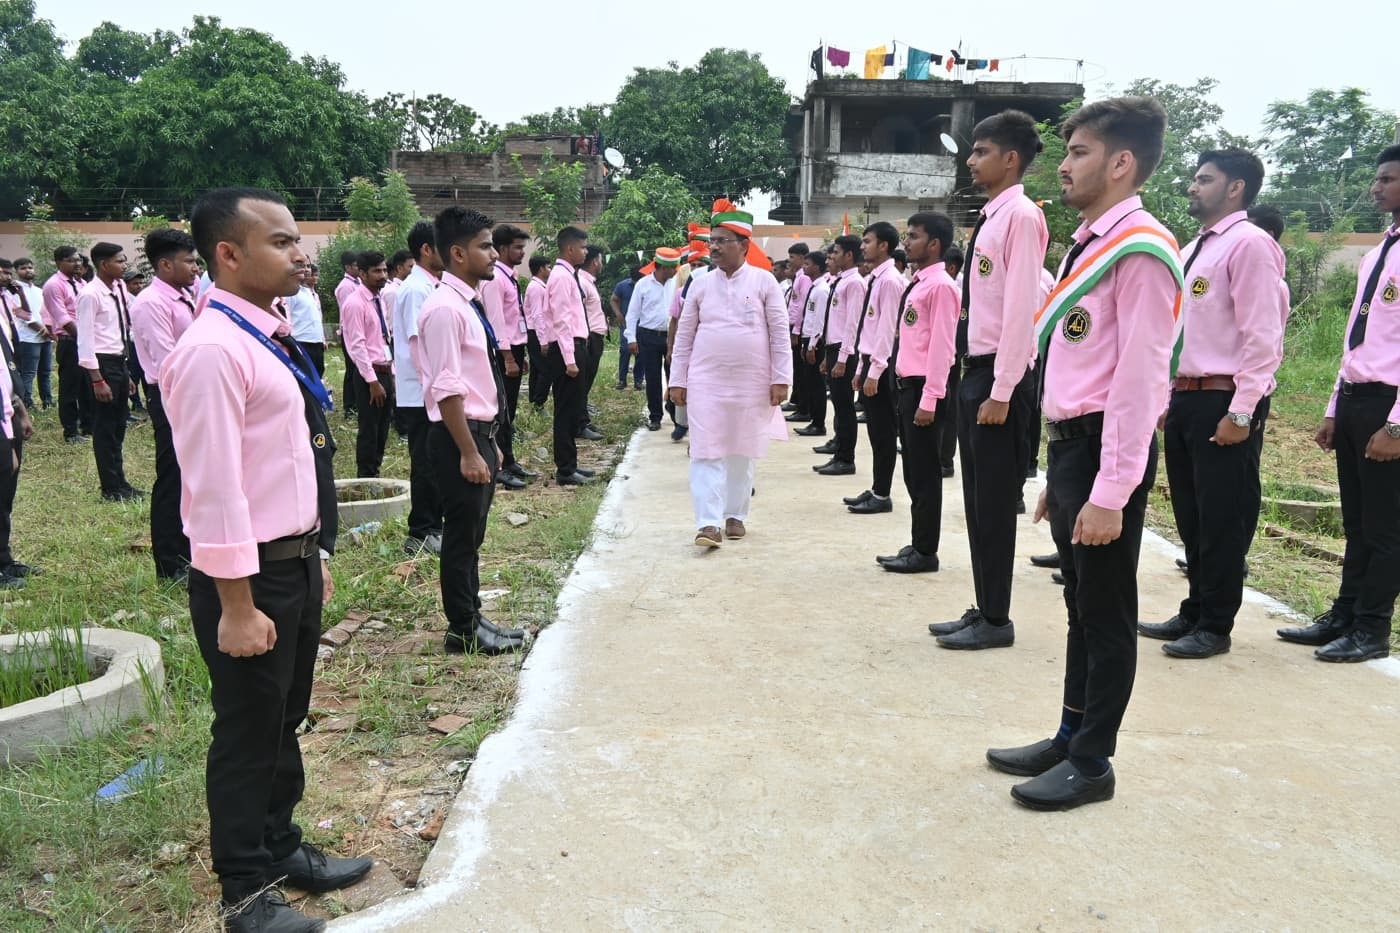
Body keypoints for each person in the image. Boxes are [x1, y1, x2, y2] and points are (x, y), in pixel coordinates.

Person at [165, 187, 369, 933]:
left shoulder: (261, 334)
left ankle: (281, 846)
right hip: (248, 577)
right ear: (229, 253)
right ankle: (245, 890)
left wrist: (311, 552)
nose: (299, 254)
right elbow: (215, 490)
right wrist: (239, 604)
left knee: (285, 716)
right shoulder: (214, 350)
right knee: (249, 730)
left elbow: (279, 461)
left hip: (292, 560)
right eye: (281, 241)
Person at [987, 97, 1182, 811]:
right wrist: (1061, 477)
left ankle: (1095, 759)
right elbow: (1079, 366)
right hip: (1078, 450)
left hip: (1108, 448)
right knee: (1080, 607)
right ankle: (1070, 733)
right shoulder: (1093, 241)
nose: (1063, 166)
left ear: (1121, 163)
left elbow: (1138, 379)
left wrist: (1110, 488)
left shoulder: (1142, 249)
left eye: (1077, 153)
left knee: (1105, 612)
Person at [1137, 148, 1287, 659]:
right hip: (1186, 397)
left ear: (1236, 188)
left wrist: (1242, 411)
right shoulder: (1193, 249)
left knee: (1223, 516)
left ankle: (1216, 623)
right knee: (1192, 514)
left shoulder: (1250, 246)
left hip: (1224, 397)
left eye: (1204, 179)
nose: (1192, 187)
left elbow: (1262, 335)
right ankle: (1196, 606)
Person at [933, 111, 1051, 650]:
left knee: (997, 505)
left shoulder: (1021, 216)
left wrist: (1003, 390)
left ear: (1010, 159)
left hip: (998, 380)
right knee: (978, 502)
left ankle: (997, 619)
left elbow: (1023, 305)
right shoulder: (992, 217)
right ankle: (985, 605)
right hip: (977, 372)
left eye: (980, 151)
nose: (970, 159)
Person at [1278, 145, 1400, 662]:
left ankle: (1372, 628)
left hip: (1389, 405)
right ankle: (1344, 613)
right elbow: (1358, 337)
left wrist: (1396, 426)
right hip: (1355, 398)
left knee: (1386, 526)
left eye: (1387, 179)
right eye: (1377, 179)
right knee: (1357, 522)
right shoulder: (1377, 253)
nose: (1376, 187)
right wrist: (1333, 406)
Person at [414, 206, 526, 656]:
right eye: (484, 247)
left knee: (473, 535)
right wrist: (468, 451)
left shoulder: (465, 304)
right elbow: (447, 389)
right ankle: (461, 628)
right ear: (457, 253)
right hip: (458, 435)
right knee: (460, 538)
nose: (493, 254)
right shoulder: (444, 310)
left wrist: (490, 444)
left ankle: (474, 616)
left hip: (478, 432)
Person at [669, 200, 791, 546]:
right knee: (706, 448)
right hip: (706, 379)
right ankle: (708, 523)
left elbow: (780, 334)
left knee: (741, 448)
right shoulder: (700, 284)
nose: (716, 247)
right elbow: (685, 336)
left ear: (744, 245)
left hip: (752, 381)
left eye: (723, 241)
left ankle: (736, 514)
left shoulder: (765, 281)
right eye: (713, 241)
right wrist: (677, 379)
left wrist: (780, 378)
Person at [877, 213, 959, 574]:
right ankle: (918, 542)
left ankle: (926, 551)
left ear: (934, 245)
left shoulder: (940, 286)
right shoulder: (919, 283)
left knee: (925, 475)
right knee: (913, 471)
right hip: (907, 387)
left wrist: (929, 400)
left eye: (913, 236)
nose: (905, 242)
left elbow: (943, 349)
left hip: (925, 391)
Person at [129, 228, 201, 581]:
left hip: (194, 393)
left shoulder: (185, 295)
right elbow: (166, 361)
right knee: (173, 476)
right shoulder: (149, 304)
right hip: (171, 395)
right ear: (165, 264)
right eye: (188, 261)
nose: (195, 268)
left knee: (193, 475)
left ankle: (192, 551)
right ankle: (170, 564)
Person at [394, 222, 446, 557]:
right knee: (425, 462)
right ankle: (421, 530)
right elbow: (417, 345)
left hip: (430, 391)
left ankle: (433, 525)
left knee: (436, 460)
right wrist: (435, 390)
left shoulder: (430, 285)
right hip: (421, 393)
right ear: (426, 249)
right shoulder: (416, 290)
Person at [844, 222, 904, 515]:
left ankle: (882, 494)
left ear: (884, 246)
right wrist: (860, 368)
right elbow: (868, 328)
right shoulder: (876, 279)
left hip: (881, 361)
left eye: (868, 241)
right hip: (868, 359)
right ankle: (877, 487)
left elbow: (886, 329)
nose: (862, 246)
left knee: (883, 432)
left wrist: (876, 370)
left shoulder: (891, 280)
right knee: (876, 433)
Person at [77, 242, 141, 501]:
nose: (124, 265)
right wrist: (97, 379)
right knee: (105, 428)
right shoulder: (90, 294)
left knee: (118, 424)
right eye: (120, 261)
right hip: (102, 364)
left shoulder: (116, 290)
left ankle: (120, 481)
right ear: (104, 265)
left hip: (118, 362)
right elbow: (85, 339)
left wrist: (125, 373)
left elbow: (119, 332)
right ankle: (110, 487)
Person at [540, 227, 595, 486]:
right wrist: (570, 359)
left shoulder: (567, 275)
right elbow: (561, 320)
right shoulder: (561, 277)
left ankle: (571, 463)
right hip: (567, 348)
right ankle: (565, 469)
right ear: (570, 249)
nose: (586, 252)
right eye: (583, 247)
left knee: (573, 409)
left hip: (574, 345)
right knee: (565, 411)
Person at [487, 224, 536, 490]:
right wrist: (507, 356)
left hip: (514, 348)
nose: (522, 252)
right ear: (502, 248)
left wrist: (519, 353)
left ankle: (510, 460)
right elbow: (496, 321)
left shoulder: (510, 276)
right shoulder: (495, 279)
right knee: (502, 411)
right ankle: (501, 465)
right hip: (502, 351)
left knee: (510, 410)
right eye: (517, 247)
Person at [340, 250, 395, 477]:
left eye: (384, 270)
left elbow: (382, 337)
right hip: (369, 375)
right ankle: (366, 475)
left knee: (382, 427)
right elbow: (357, 346)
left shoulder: (378, 299)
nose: (382, 275)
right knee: (369, 428)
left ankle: (376, 471)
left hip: (384, 369)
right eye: (376, 271)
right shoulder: (355, 303)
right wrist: (372, 381)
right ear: (361, 273)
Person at [813, 235, 865, 476]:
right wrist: (827, 355)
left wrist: (843, 359)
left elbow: (852, 324)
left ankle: (846, 458)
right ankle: (839, 451)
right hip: (834, 349)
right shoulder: (841, 281)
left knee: (845, 408)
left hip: (845, 350)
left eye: (835, 252)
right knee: (839, 405)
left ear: (849, 255)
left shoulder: (854, 283)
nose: (831, 257)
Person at [0, 276, 33, 590]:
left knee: (4, 496)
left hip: (8, 413)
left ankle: (4, 560)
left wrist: (19, 410)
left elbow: (6, 368)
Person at [625, 248, 681, 430]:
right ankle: (655, 416)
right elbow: (632, 314)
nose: (676, 271)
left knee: (674, 376)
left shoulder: (677, 284)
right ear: (663, 267)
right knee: (653, 377)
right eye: (673, 268)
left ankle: (674, 411)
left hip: (672, 337)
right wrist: (631, 339)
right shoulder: (643, 284)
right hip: (648, 336)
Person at [43, 245, 93, 442]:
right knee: (70, 388)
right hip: (70, 341)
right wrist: (83, 340)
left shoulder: (80, 284)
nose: (77, 263)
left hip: (84, 340)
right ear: (59, 262)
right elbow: (63, 318)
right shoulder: (53, 285)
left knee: (87, 386)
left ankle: (88, 425)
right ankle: (71, 431)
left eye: (78, 260)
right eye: (71, 260)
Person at [794, 250, 831, 438]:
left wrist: (812, 345)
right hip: (808, 338)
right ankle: (813, 420)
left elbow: (820, 321)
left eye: (807, 264)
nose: (804, 267)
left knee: (817, 385)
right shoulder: (815, 287)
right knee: (810, 382)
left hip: (815, 342)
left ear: (817, 266)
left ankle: (819, 423)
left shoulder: (822, 290)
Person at [8, 258, 51, 410]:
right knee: (28, 373)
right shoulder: (13, 291)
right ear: (16, 271)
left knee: (45, 372)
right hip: (28, 338)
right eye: (23, 268)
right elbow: (22, 314)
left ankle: (48, 401)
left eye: (30, 267)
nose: (28, 270)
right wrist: (43, 329)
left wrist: (49, 330)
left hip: (45, 338)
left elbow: (46, 313)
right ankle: (27, 403)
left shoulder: (40, 291)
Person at [576, 245, 607, 442]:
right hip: (589, 338)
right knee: (581, 384)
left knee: (585, 384)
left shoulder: (588, 281)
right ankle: (579, 424)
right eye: (601, 260)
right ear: (595, 261)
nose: (601, 263)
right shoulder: (581, 282)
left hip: (595, 337)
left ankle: (582, 419)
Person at [784, 243, 813, 421]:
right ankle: (799, 405)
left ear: (802, 258)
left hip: (800, 328)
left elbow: (802, 307)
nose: (790, 260)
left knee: (802, 372)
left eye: (793, 257)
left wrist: (795, 330)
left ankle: (804, 409)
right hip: (795, 327)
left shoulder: (804, 279)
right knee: (797, 370)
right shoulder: (798, 278)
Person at [288, 263, 328, 376]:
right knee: (305, 377)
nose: (306, 270)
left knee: (318, 374)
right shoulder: (291, 293)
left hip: (316, 342)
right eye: (302, 266)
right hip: (301, 342)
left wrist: (321, 338)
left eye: (308, 266)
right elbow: (286, 319)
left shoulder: (308, 293)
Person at [523, 255, 552, 408]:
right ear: (541, 269)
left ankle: (534, 400)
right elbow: (537, 315)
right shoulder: (535, 288)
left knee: (537, 368)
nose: (550, 270)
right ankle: (539, 402)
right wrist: (543, 341)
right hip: (536, 333)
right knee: (546, 370)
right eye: (548, 267)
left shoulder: (540, 286)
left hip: (536, 333)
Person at [335, 251, 360, 421]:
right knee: (351, 370)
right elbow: (349, 313)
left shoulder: (356, 283)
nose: (359, 268)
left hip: (355, 332)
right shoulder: (346, 286)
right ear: (348, 267)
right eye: (357, 265)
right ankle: (349, 407)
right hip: (350, 333)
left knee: (357, 369)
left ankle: (356, 403)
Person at [612, 266, 643, 389]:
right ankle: (622, 380)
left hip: (642, 325)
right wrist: (618, 314)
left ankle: (639, 380)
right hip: (626, 325)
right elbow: (613, 300)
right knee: (625, 351)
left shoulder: (646, 285)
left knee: (641, 353)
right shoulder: (622, 286)